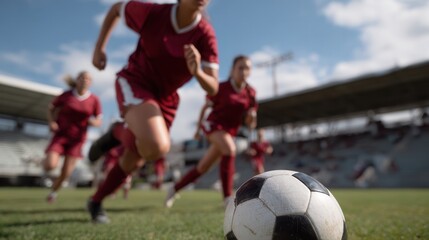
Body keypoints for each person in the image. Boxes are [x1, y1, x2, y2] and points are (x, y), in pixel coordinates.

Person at [87, 0, 219, 223]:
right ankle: (119, 132)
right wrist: (99, 47)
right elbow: (116, 9)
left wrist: (197, 72)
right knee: (157, 145)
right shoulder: (153, 12)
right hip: (136, 81)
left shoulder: (205, 34)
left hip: (166, 99)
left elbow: (213, 86)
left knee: (139, 157)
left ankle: (96, 201)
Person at [165, 55, 257, 208]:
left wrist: (251, 118)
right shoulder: (221, 87)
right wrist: (197, 129)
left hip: (229, 132)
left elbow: (250, 123)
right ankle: (227, 198)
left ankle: (174, 188)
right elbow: (205, 107)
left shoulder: (251, 93)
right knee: (229, 149)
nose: (244, 71)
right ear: (232, 70)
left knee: (203, 167)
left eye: (247, 68)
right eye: (240, 67)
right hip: (213, 125)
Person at [43, 71, 102, 203]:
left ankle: (53, 193)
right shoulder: (66, 95)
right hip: (61, 135)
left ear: (90, 83)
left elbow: (99, 120)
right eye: (82, 78)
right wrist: (51, 122)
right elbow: (50, 108)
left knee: (66, 173)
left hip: (77, 140)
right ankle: (42, 162)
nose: (84, 80)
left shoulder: (94, 100)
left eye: (88, 79)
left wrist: (93, 122)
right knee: (50, 165)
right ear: (77, 80)